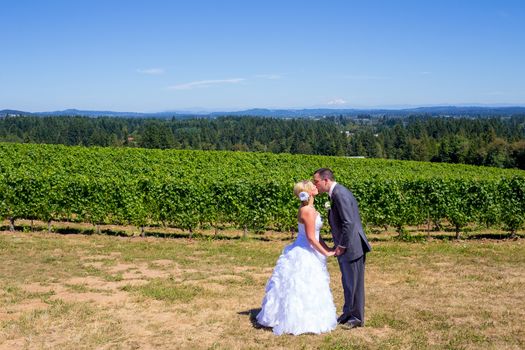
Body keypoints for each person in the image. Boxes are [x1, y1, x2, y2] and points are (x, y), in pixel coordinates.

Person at [256, 180, 337, 335]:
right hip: (305, 251)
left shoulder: (309, 208)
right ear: (308, 191)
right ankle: (300, 320)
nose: (315, 186)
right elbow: (311, 238)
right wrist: (326, 252)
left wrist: (328, 248)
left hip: (308, 247)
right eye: (312, 186)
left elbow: (316, 237)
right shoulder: (307, 210)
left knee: (309, 286)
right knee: (301, 285)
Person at [313, 168, 371, 329]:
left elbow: (349, 223)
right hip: (347, 245)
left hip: (351, 246)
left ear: (326, 180)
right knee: (347, 281)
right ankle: (347, 313)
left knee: (354, 283)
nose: (314, 184)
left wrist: (342, 246)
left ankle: (356, 317)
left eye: (316, 181)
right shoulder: (335, 193)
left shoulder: (339, 193)